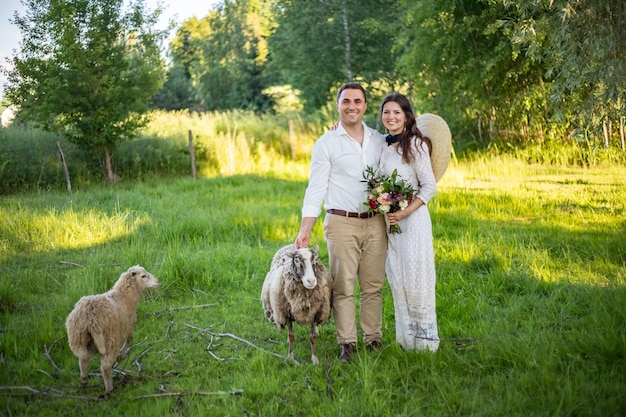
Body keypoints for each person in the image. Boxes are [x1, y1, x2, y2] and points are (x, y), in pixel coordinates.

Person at [294, 82, 388, 362]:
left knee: (373, 285)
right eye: (346, 101)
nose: (352, 106)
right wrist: (305, 229)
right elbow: (316, 188)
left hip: (375, 223)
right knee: (344, 286)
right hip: (341, 222)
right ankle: (347, 342)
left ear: (365, 106)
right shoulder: (326, 143)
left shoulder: (379, 140)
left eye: (358, 101)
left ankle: (373, 338)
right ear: (337, 106)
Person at [378, 92, 449, 352]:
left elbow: (429, 187)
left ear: (407, 116)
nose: (391, 116)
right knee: (398, 277)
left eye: (397, 112)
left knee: (416, 277)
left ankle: (426, 344)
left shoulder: (417, 145)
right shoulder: (382, 146)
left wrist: (404, 212)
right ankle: (407, 341)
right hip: (391, 223)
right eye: (386, 111)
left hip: (413, 221)